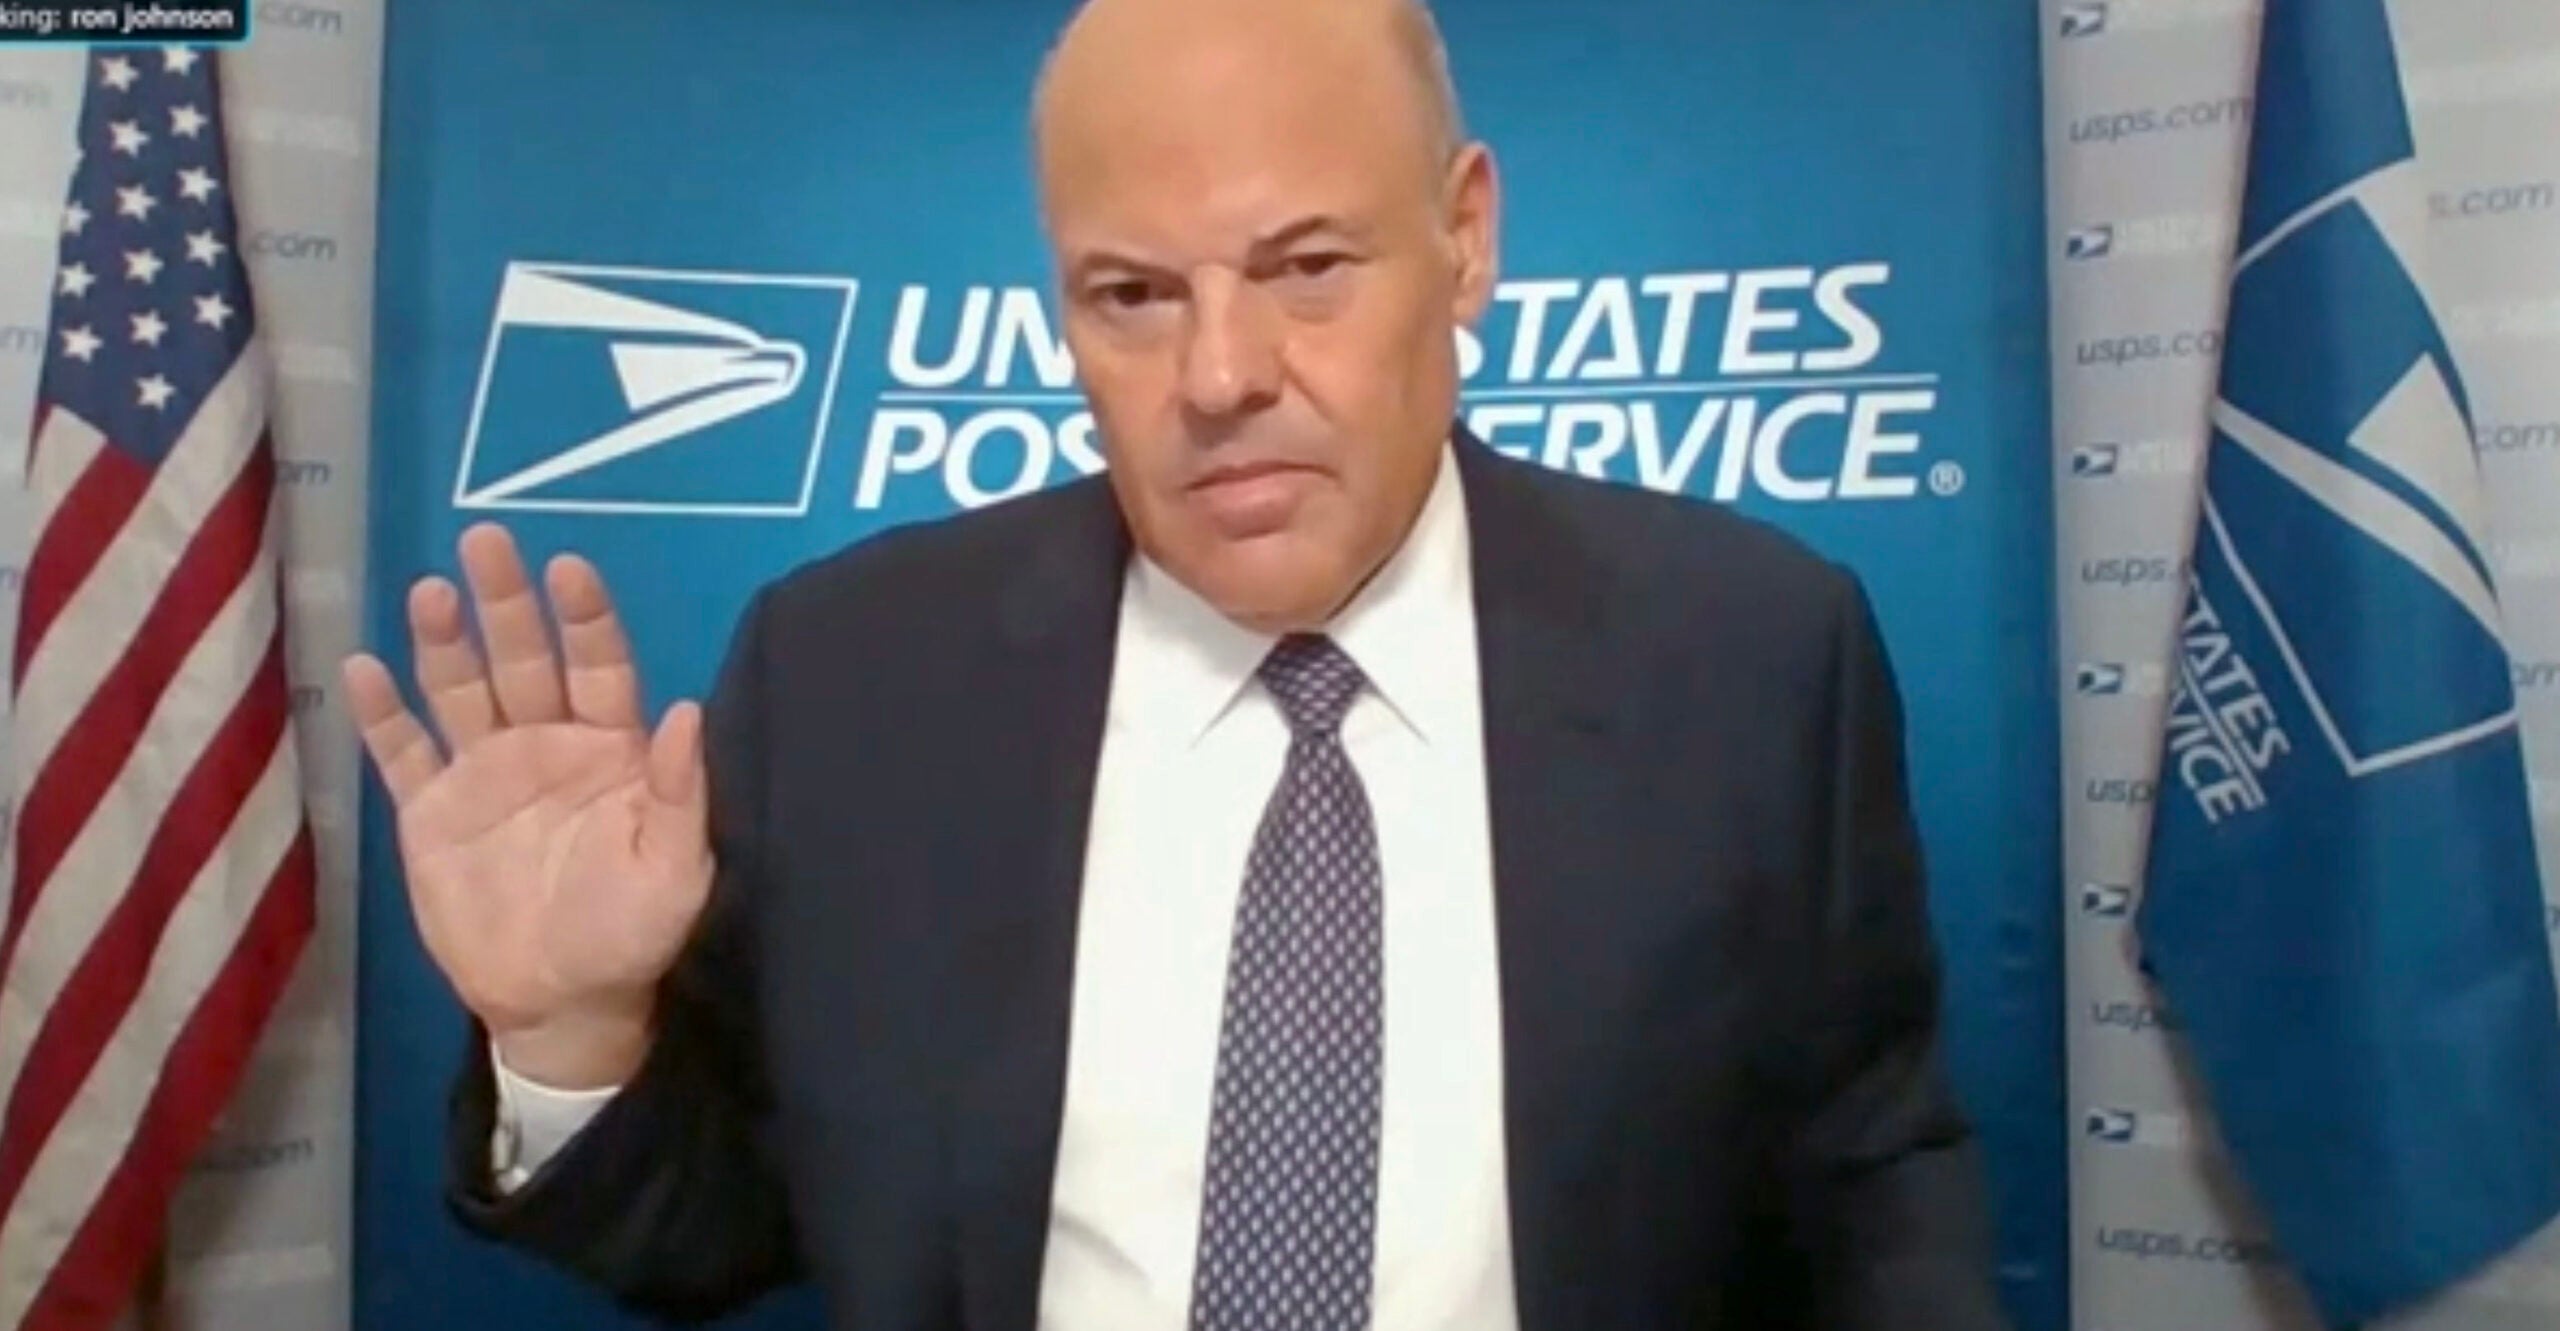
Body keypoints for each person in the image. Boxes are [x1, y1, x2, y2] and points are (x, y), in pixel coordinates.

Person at [342, 0, 2011, 1327]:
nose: (1221, 376)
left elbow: (1869, 1185)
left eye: (1307, 268)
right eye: (1134, 294)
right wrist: (573, 1037)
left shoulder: (1750, 658)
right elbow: (718, 1240)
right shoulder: (852, 681)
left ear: (1466, 236)